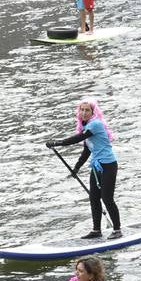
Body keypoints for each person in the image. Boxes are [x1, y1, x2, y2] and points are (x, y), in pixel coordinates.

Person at [46, 100, 122, 240]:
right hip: (96, 166)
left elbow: (78, 138)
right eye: (82, 110)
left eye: (87, 110)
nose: (84, 113)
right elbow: (87, 151)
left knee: (107, 198)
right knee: (93, 198)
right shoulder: (85, 126)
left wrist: (57, 143)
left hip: (108, 165)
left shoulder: (96, 124)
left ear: (93, 112)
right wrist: (76, 168)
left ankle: (117, 230)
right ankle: (96, 230)